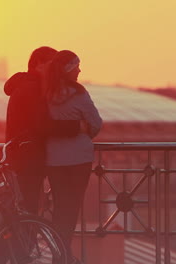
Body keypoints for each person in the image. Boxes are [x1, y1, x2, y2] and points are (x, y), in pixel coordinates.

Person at [4, 46, 80, 215]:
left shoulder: (25, 85)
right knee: (27, 213)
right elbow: (43, 124)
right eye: (52, 64)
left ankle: (19, 241)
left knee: (22, 213)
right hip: (28, 161)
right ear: (38, 64)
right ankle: (22, 242)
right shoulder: (32, 88)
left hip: (21, 159)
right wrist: (76, 127)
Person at [43, 50, 102, 264]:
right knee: (72, 207)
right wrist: (83, 128)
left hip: (53, 159)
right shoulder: (79, 93)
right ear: (68, 70)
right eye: (76, 67)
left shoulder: (45, 94)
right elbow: (96, 123)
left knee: (60, 207)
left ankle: (59, 251)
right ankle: (63, 254)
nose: (79, 70)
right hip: (79, 159)